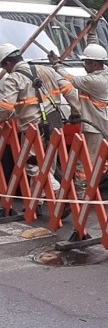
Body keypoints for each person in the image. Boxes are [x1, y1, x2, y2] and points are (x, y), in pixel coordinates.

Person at [0, 43, 81, 216]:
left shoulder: (13, 78)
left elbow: (6, 109)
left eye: (3, 66)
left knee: (33, 166)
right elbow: (71, 91)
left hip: (34, 128)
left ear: (7, 63)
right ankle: (37, 202)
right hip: (55, 123)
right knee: (48, 165)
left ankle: (59, 194)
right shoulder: (46, 70)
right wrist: (76, 111)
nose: (5, 70)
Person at [49, 19, 108, 199]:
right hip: (96, 125)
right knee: (93, 158)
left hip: (94, 127)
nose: (84, 65)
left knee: (83, 163)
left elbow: (69, 79)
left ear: (94, 64)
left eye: (86, 62)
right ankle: (107, 182)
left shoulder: (94, 81)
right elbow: (94, 48)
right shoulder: (103, 70)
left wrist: (56, 65)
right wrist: (91, 32)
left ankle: (80, 195)